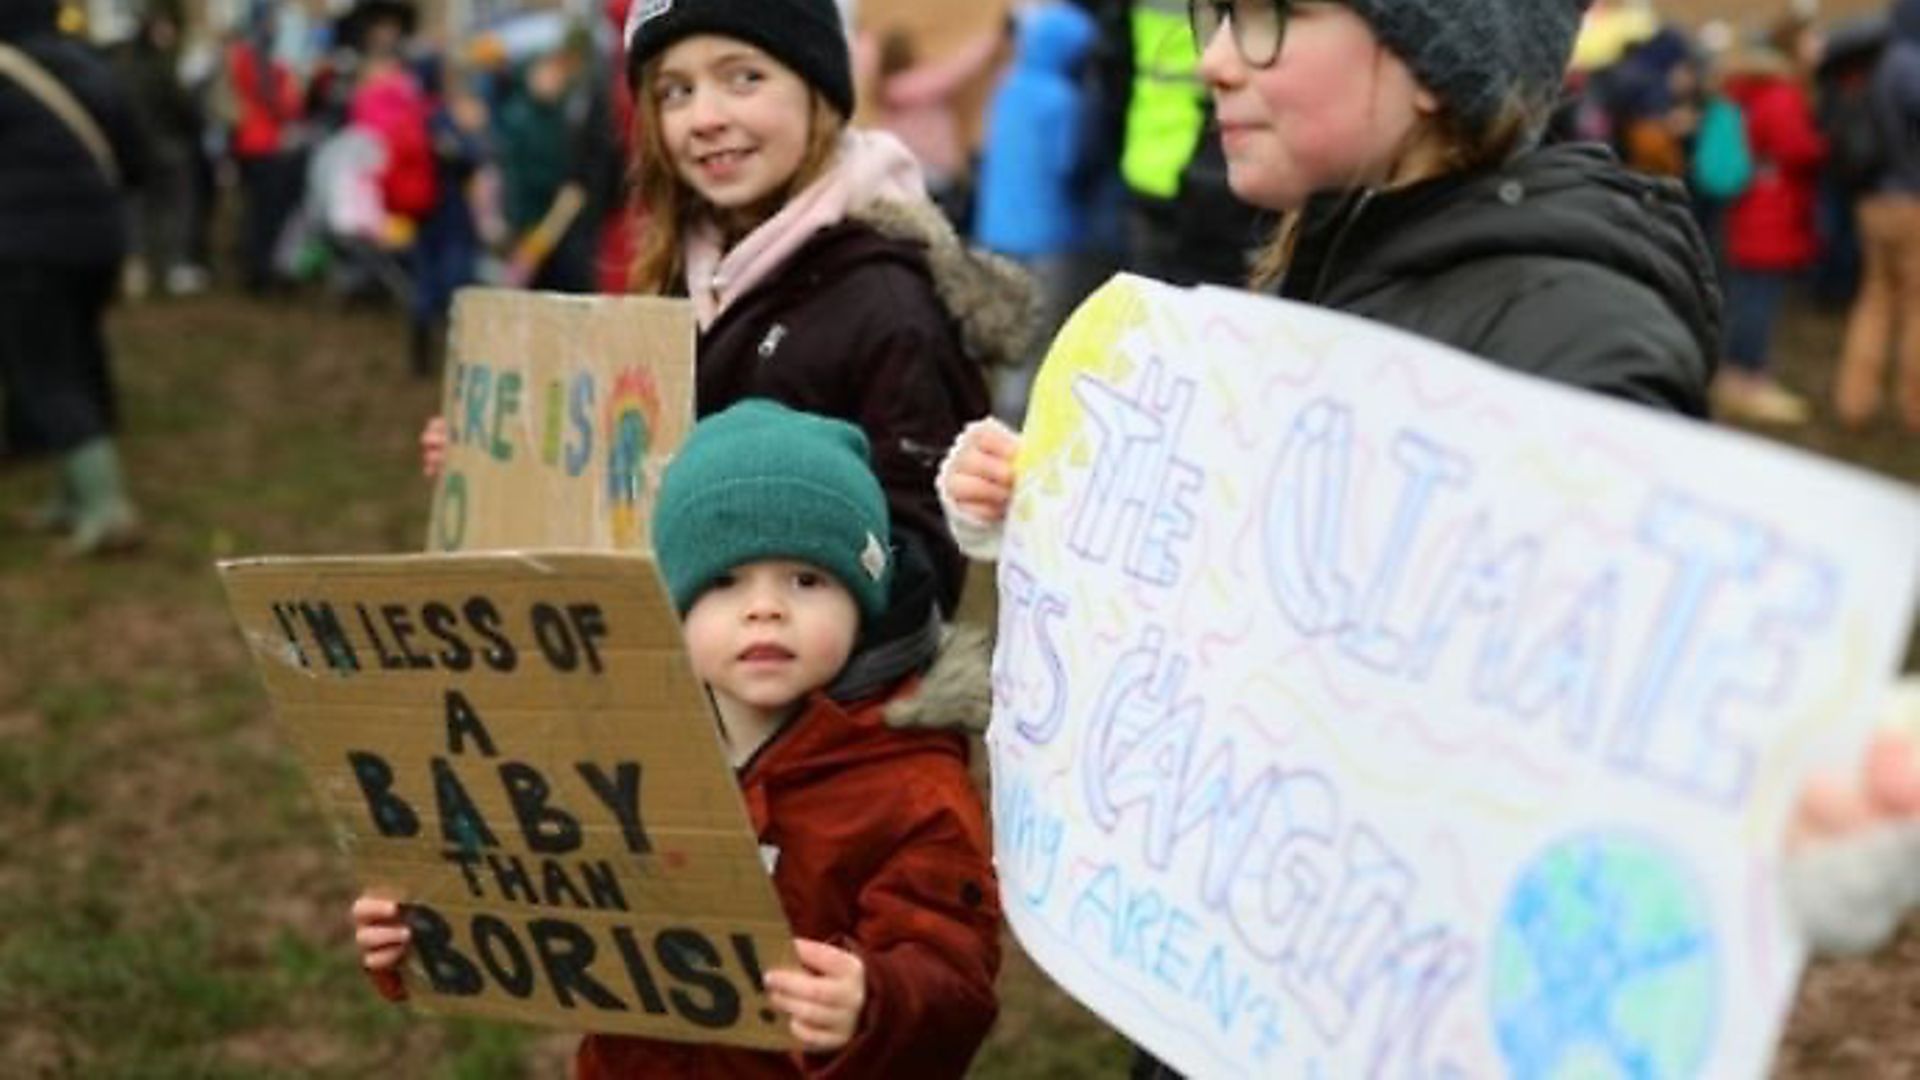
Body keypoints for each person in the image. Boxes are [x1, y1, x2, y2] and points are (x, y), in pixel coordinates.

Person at [940, 2, 1920, 1062]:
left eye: (1272, 17)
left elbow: (1630, 732)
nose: (1215, 60)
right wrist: (1059, 512)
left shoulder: (1570, 338)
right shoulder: (1340, 248)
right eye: (1214, 13)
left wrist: (1804, 818)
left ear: (1433, 65)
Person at [355, 399, 1003, 1077]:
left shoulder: (915, 788)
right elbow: (534, 885)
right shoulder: (622, 746)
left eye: (806, 579)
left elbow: (956, 982)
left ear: (864, 596)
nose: (765, 607)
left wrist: (875, 1001)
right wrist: (426, 928)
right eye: (723, 581)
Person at [425, 0, 1032, 692]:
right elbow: (632, 471)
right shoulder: (676, 276)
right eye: (675, 90)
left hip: (810, 754)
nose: (705, 115)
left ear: (818, 92)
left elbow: (917, 573)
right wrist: (510, 459)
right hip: (668, 712)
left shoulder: (888, 305)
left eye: (742, 78)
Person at [0, 0, 148, 555]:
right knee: (79, 361)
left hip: (23, 248)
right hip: (98, 243)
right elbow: (135, 158)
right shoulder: (90, 66)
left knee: (45, 374)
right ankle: (70, 494)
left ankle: (106, 507)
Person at [1715, 14, 1828, 426]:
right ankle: (1748, 380)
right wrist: (1824, 145)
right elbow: (1793, 147)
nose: (1820, 45)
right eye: (1813, 38)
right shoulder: (1781, 93)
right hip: (1771, 212)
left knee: (1748, 295)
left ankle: (1736, 376)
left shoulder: (1753, 87)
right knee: (1758, 300)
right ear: (1793, 45)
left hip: (1754, 208)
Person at [1834, 0, 1920, 430]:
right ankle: (1914, 407)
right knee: (1916, 307)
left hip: (1873, 201)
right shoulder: (1910, 66)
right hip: (1911, 202)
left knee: (1874, 301)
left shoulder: (1876, 63)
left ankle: (1855, 401)